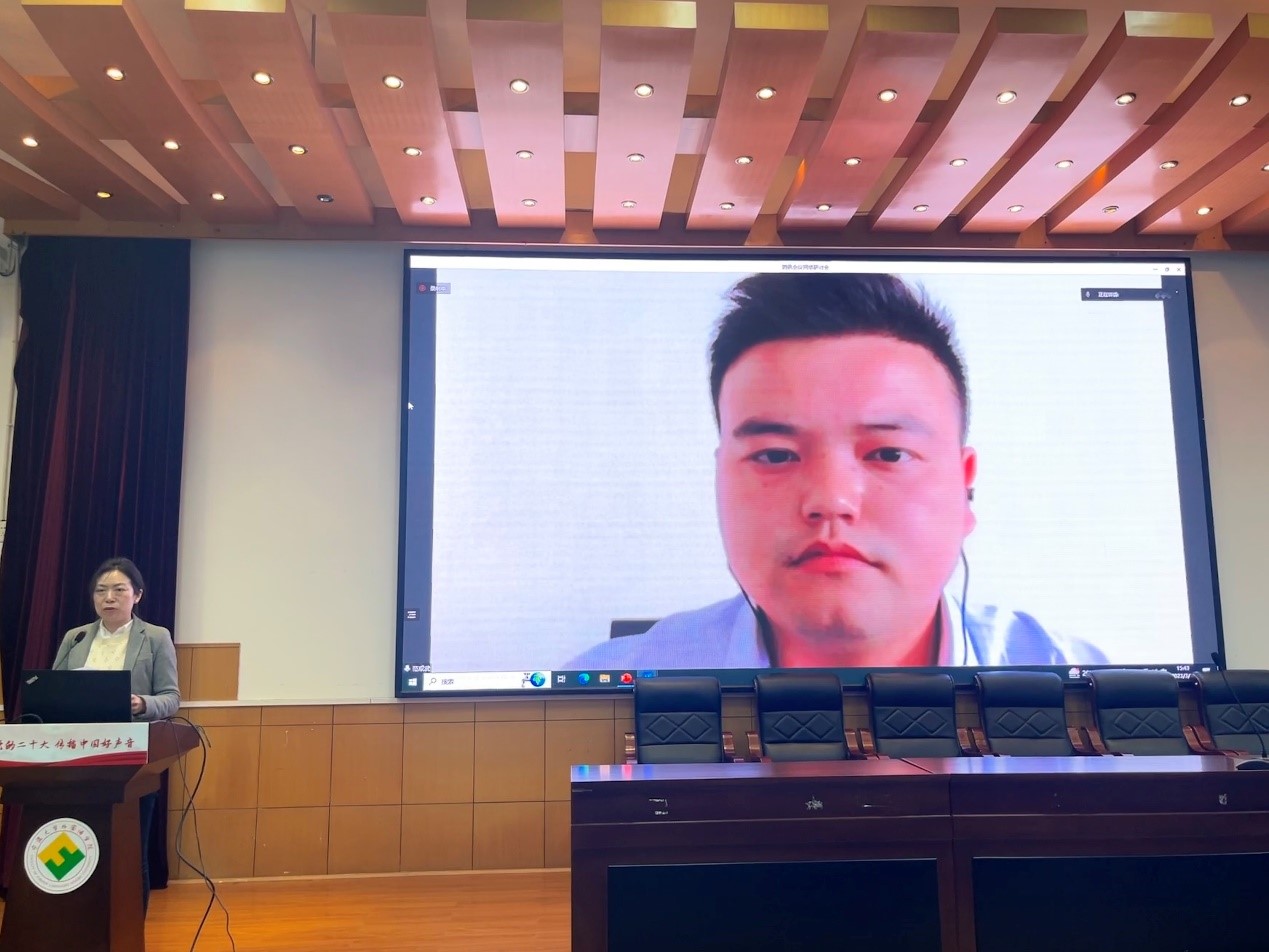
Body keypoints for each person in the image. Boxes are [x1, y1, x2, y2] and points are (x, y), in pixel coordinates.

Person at [566, 272, 1105, 670]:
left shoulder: (1089, 694)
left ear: (965, 487)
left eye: (887, 454)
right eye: (775, 455)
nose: (829, 500)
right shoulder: (602, 695)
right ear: (720, 481)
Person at [52, 556, 180, 913]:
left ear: (137, 595)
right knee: (78, 844)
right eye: (100, 591)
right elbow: (52, 689)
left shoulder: (155, 637)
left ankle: (129, 929)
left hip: (131, 761)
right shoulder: (76, 637)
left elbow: (171, 698)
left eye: (118, 590)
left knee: (128, 850)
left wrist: (141, 703)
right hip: (77, 758)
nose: (108, 597)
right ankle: (78, 923)